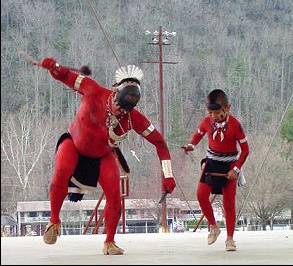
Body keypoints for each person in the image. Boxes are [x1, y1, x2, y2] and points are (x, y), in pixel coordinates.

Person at [36, 58, 176, 255]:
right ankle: (54, 221)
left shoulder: (133, 118)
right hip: (74, 144)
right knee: (61, 171)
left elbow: (160, 143)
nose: (122, 111)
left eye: (128, 109)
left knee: (115, 196)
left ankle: (109, 242)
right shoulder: (92, 89)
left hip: (102, 154)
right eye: (120, 105)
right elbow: (65, 76)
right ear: (114, 93)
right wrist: (54, 67)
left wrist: (168, 174)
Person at [182, 89, 249, 251]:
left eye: (217, 112)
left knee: (229, 203)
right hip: (211, 164)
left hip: (230, 165)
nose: (213, 115)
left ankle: (230, 239)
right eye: (210, 112)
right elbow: (198, 135)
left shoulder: (235, 125)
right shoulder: (206, 122)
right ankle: (214, 226)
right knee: (201, 195)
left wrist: (236, 169)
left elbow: (245, 150)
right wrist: (191, 145)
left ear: (228, 108)